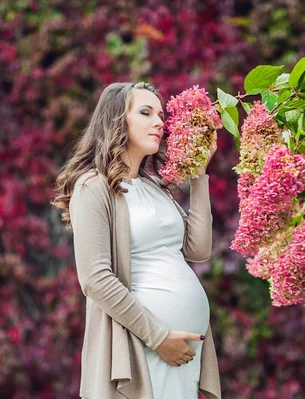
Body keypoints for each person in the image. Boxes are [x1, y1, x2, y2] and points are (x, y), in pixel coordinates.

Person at [52, 82, 221, 399]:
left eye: (160, 114)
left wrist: (199, 176)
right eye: (145, 112)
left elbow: (198, 250)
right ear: (117, 120)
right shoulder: (93, 187)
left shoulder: (155, 186)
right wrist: (159, 337)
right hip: (142, 346)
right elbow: (95, 279)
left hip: (182, 350)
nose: (159, 121)